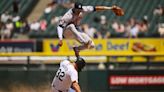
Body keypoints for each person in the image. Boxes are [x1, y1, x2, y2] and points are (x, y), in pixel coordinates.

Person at [56, 2, 124, 57]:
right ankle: (84, 42)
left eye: (80, 9)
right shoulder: (68, 15)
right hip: (67, 32)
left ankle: (77, 49)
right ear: (74, 8)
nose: (79, 11)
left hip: (76, 32)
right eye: (78, 10)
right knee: (71, 26)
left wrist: (110, 8)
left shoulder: (83, 9)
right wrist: (60, 39)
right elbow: (59, 27)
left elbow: (96, 8)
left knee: (92, 45)